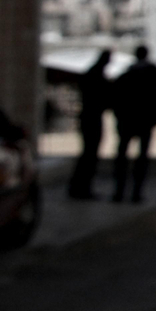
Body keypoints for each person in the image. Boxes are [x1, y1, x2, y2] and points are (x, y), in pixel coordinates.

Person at [110, 45, 156, 204]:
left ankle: (120, 192)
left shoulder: (127, 77)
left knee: (123, 157)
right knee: (139, 158)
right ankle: (133, 193)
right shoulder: (148, 77)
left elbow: (114, 98)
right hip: (143, 122)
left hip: (129, 122)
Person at [67, 49, 112, 201]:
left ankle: (80, 187)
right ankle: (81, 187)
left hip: (90, 117)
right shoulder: (96, 74)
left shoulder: (93, 73)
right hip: (91, 118)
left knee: (88, 155)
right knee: (89, 155)